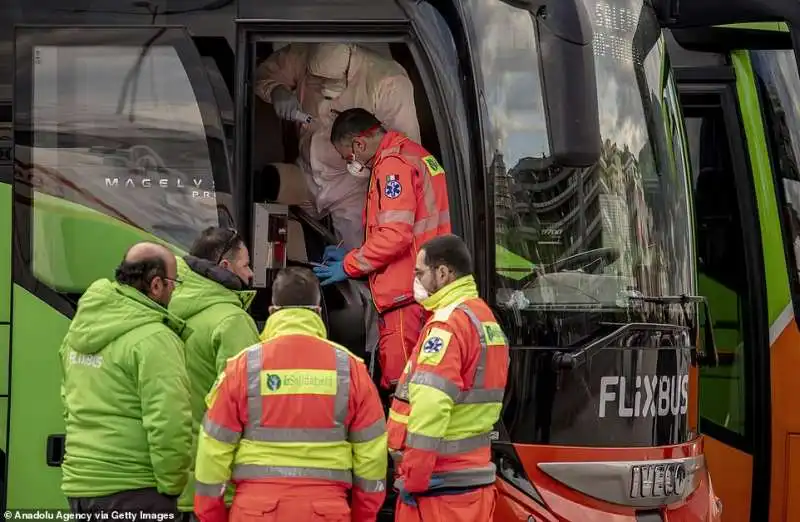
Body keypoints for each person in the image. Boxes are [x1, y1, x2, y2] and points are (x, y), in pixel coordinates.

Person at [193, 267, 388, 522]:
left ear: (273, 310)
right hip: (327, 511)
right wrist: (363, 516)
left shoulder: (243, 367)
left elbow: (213, 449)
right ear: (318, 312)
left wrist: (213, 516)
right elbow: (372, 457)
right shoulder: (350, 369)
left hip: (254, 512)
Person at [314, 108, 451, 392]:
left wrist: (350, 264)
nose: (352, 163)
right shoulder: (416, 155)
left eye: (348, 157)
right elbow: (410, 231)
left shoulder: (392, 166)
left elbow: (394, 235)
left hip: (404, 298)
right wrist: (359, 253)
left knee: (401, 390)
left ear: (359, 144)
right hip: (424, 289)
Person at [60, 242, 193, 516]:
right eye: (173, 282)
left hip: (80, 485)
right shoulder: (155, 339)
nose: (175, 289)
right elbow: (169, 421)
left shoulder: (80, 329)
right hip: (136, 489)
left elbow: (68, 400)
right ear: (156, 285)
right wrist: (172, 486)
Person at [386, 234, 509, 522]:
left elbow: (431, 407)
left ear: (442, 273)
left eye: (419, 273)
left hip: (439, 486)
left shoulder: (447, 324)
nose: (415, 282)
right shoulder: (484, 318)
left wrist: (413, 476)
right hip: (472, 480)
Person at [255, 42, 421, 249]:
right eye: (317, 80)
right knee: (271, 229)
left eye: (331, 81)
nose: (323, 86)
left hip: (354, 185)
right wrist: (277, 90)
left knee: (355, 259)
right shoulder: (301, 54)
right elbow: (262, 75)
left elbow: (405, 153)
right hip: (305, 174)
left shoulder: (389, 81)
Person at [168, 227, 261, 517]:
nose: (250, 275)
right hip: (214, 483)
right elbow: (248, 406)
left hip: (171, 476)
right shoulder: (232, 321)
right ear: (225, 266)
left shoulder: (165, 306)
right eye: (245, 265)